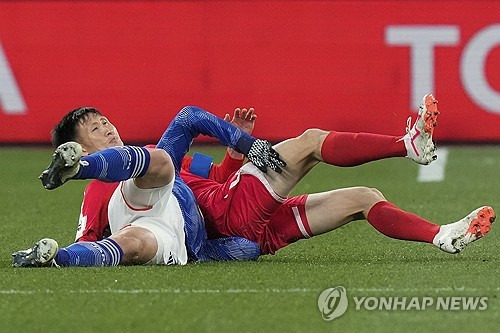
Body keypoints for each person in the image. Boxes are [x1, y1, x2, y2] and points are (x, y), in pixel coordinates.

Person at [13, 94, 495, 267]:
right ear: (80, 151)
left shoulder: (163, 162)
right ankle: (407, 145)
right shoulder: (104, 188)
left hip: (246, 224)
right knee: (308, 142)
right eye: (94, 130)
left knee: (363, 199)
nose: (107, 128)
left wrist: (232, 148)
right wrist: (73, 252)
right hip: (229, 217)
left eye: (104, 121)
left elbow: (216, 177)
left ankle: (441, 235)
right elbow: (93, 233)